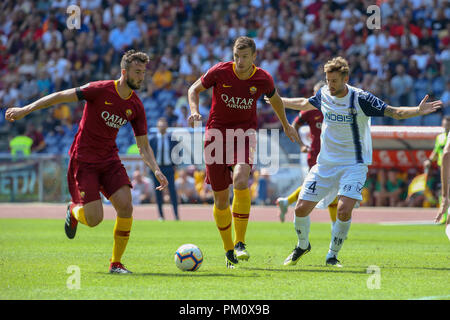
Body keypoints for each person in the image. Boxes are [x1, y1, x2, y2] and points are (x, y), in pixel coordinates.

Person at [5, 50, 169, 274]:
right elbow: (60, 96)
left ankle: (116, 263)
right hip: (84, 160)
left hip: (110, 159)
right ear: (124, 72)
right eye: (137, 72)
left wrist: (156, 170)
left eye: (143, 73)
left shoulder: (136, 106)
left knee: (126, 206)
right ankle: (73, 211)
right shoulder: (99, 89)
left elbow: (143, 146)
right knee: (94, 219)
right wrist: (26, 109)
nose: (142, 77)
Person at [269, 56, 442, 268]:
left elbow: (394, 112)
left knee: (343, 210)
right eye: (327, 80)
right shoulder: (323, 94)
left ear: (345, 78)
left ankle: (332, 255)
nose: (330, 85)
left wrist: (417, 110)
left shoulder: (361, 99)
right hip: (325, 164)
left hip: (354, 164)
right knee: (301, 209)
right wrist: (279, 99)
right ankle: (303, 245)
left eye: (334, 81)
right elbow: (305, 103)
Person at [187, 36, 300, 268]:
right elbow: (193, 89)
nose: (239, 61)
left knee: (240, 180)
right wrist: (194, 110)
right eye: (236, 56)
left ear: (254, 57)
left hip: (244, 135)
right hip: (215, 136)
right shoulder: (220, 71)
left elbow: (276, 100)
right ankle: (228, 250)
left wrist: (286, 125)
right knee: (220, 201)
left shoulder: (262, 78)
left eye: (244, 56)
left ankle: (240, 243)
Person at [272, 81, 338, 225]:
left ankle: (286, 201)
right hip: (316, 154)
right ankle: (335, 226)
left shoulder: (335, 108)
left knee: (323, 185)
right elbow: (295, 124)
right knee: (326, 185)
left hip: (333, 153)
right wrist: (301, 144)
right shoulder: (309, 110)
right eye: (316, 93)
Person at [149, 117, 179, 220]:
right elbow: (149, 155)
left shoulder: (172, 139)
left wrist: (175, 166)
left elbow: (177, 153)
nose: (162, 127)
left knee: (172, 191)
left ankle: (176, 215)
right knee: (158, 192)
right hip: (157, 170)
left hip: (169, 169)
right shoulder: (152, 140)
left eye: (164, 125)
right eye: (160, 125)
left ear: (167, 127)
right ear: (157, 127)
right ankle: (161, 215)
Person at [423, 116, 450, 224]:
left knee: (446, 192)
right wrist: (429, 160)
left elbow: (446, 154)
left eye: (448, 123)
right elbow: (436, 150)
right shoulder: (440, 137)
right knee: (441, 191)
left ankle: (446, 213)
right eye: (445, 123)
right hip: (442, 168)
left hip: (448, 167)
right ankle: (444, 215)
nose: (446, 125)